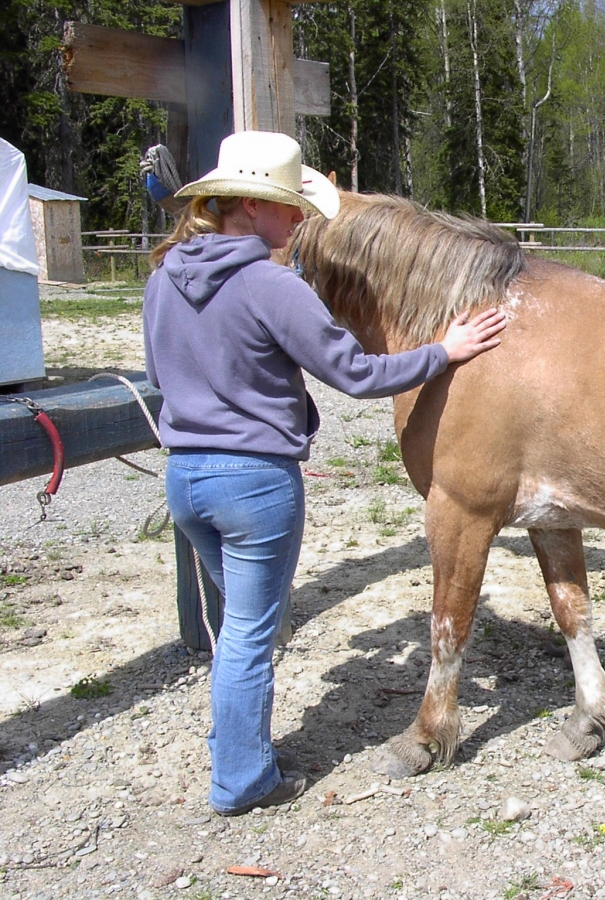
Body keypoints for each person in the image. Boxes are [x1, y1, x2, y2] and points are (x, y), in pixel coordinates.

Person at [143, 130, 506, 817]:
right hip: (254, 482)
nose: (299, 221)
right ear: (249, 208)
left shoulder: (164, 277)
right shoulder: (271, 286)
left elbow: (163, 375)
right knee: (252, 633)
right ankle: (243, 781)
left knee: (237, 625)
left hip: (185, 478)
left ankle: (232, 744)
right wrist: (445, 350)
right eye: (287, 207)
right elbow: (357, 374)